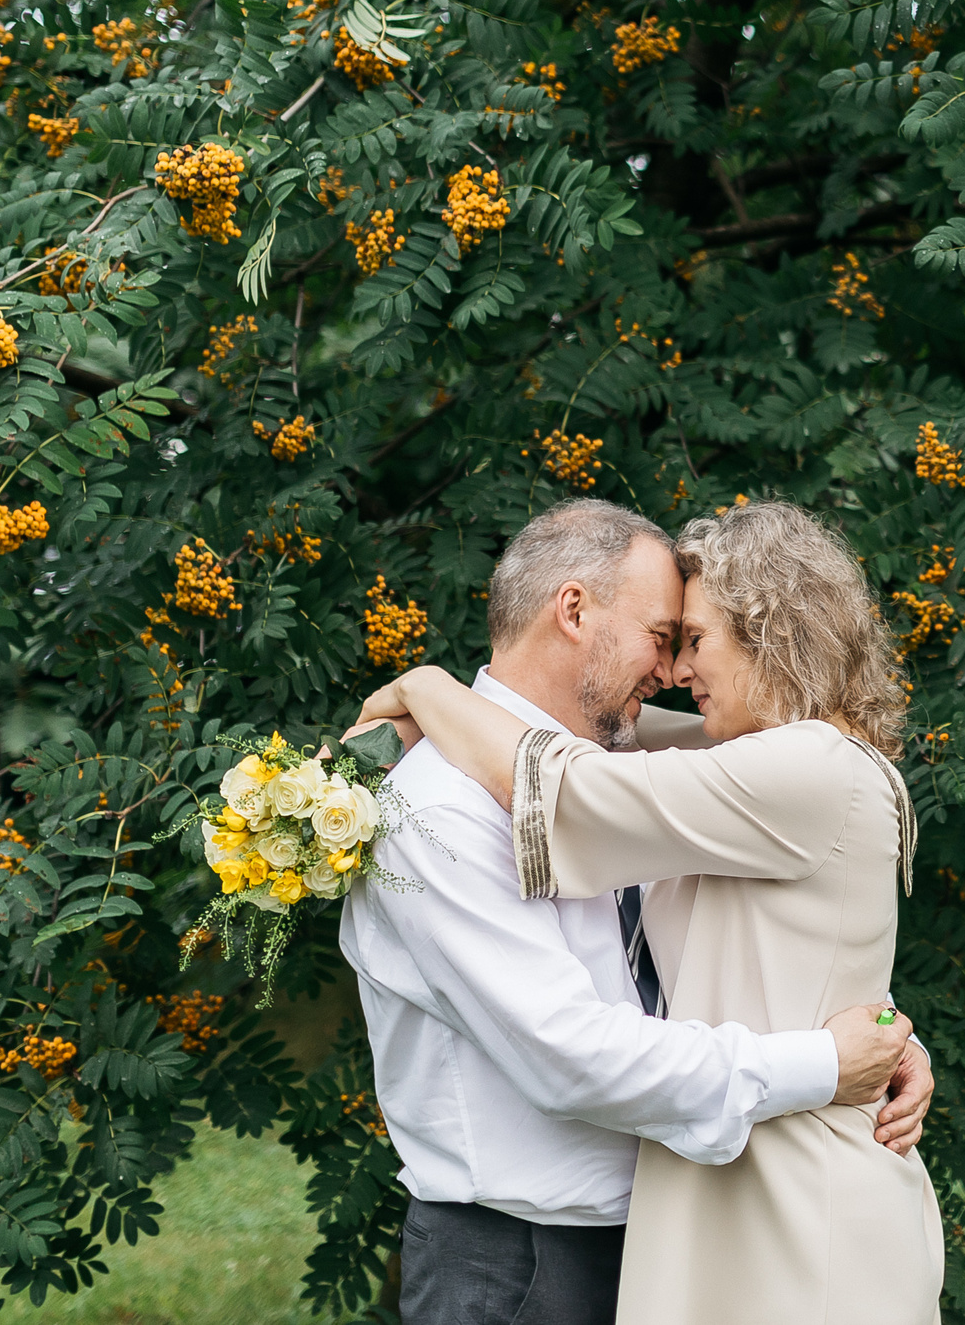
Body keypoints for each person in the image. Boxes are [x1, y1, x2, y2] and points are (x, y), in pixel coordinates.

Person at [339, 498, 933, 1325]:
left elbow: (567, 786)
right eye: (666, 637)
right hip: (526, 1259)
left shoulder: (752, 766)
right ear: (574, 609)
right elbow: (574, 1054)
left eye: (693, 641)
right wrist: (827, 1059)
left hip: (731, 1216)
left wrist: (424, 685)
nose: (674, 673)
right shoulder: (439, 807)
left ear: (771, 634)